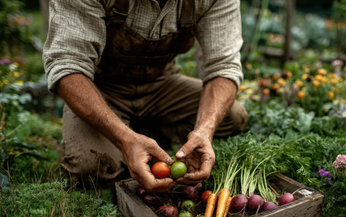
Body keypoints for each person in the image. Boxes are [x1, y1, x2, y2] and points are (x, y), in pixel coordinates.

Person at [43, 0, 248, 191]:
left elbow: (223, 67)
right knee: (90, 167)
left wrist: (204, 130)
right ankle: (129, 137)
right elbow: (67, 65)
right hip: (101, 89)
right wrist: (125, 139)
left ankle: (147, 135)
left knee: (232, 116)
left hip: (160, 84)